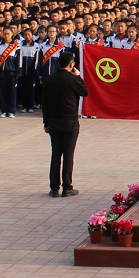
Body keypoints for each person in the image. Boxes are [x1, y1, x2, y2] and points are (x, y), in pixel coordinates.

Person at [41, 49, 87, 197]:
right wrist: (78, 77)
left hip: (54, 121)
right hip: (70, 122)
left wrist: (46, 123)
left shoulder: (49, 79)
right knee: (68, 154)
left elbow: (45, 104)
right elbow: (84, 92)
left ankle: (54, 188)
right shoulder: (72, 79)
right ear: (71, 64)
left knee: (56, 154)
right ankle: (67, 187)